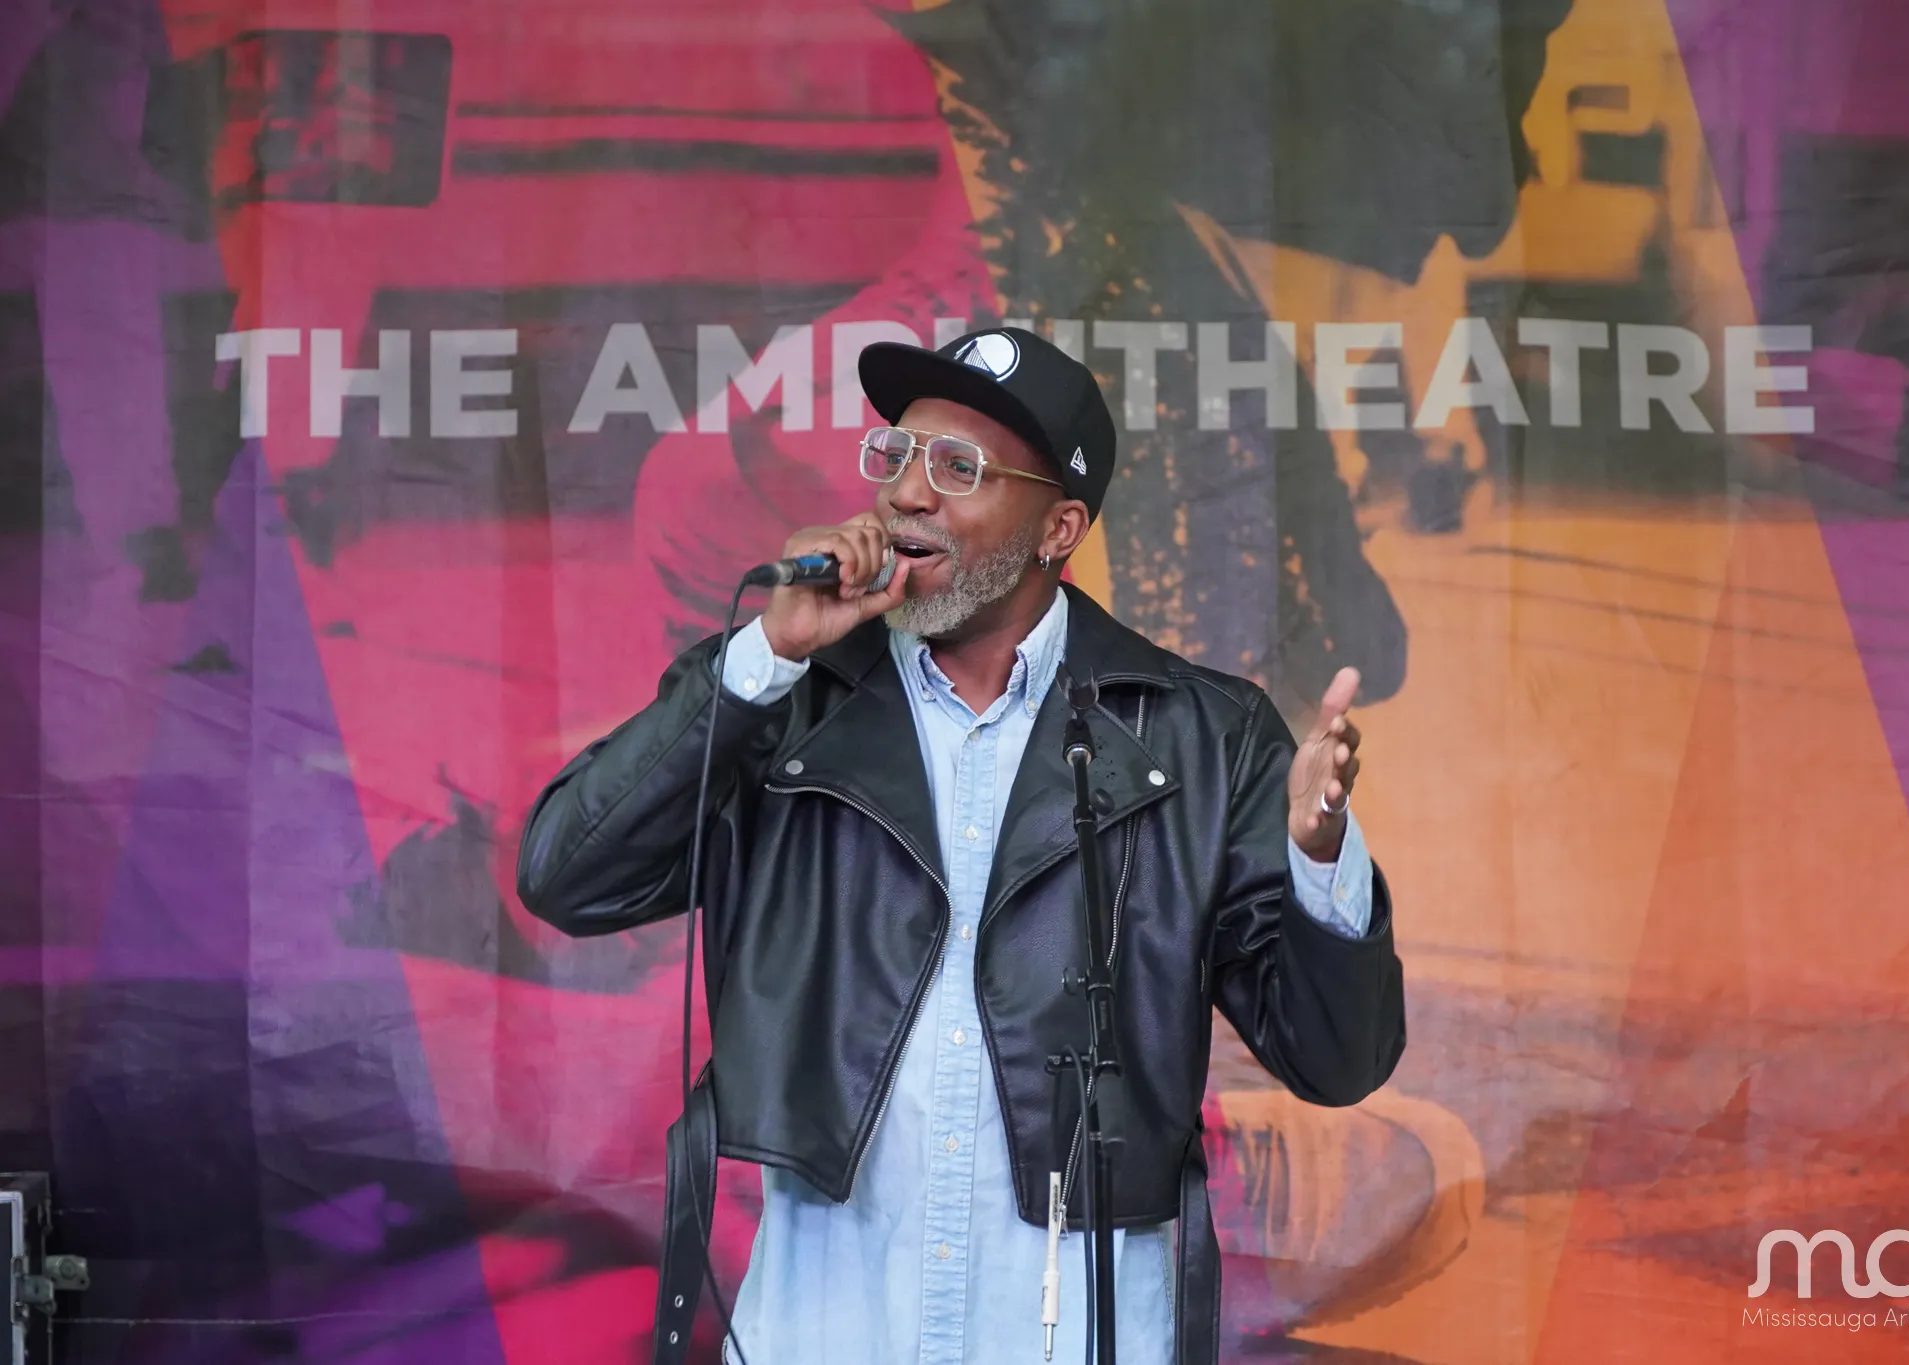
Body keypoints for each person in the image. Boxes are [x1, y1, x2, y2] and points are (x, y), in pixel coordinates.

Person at [517, 327, 1404, 1365]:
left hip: (1075, 1334)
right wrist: (764, 657)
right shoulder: (787, 701)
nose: (906, 493)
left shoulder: (1200, 737)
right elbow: (569, 876)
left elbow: (1334, 1061)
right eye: (895, 454)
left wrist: (1318, 860)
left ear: (1057, 528)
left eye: (957, 467)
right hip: (826, 1327)